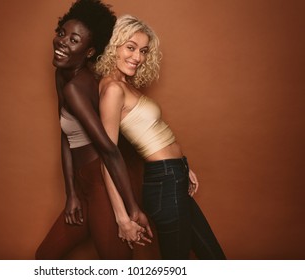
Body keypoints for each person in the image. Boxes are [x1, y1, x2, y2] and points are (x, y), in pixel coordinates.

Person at [95, 14, 226, 259]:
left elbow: (152, 132)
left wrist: (182, 166)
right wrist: (122, 218)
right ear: (114, 46)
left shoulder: (125, 85)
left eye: (143, 51)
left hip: (173, 175)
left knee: (212, 257)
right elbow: (107, 157)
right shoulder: (113, 89)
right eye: (130, 48)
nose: (137, 57)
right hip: (164, 182)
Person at [35, 1, 152, 260]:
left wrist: (131, 209)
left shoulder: (77, 87)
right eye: (62, 33)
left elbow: (109, 150)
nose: (62, 42)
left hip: (103, 183)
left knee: (116, 264)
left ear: (89, 52)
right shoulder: (62, 74)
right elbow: (66, 136)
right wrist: (72, 194)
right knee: (45, 257)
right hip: (84, 184)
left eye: (74, 40)